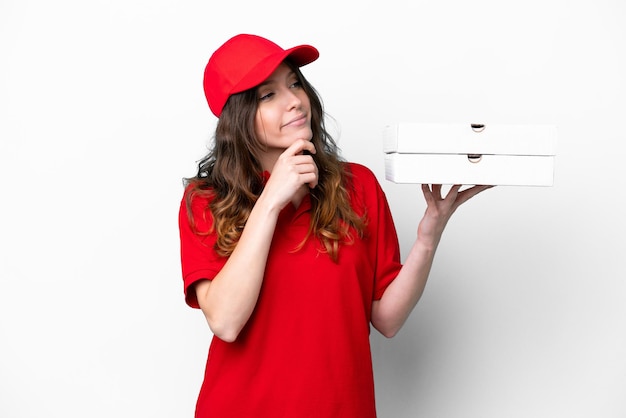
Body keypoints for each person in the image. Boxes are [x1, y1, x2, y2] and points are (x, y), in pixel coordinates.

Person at [178, 33, 491, 418]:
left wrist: (428, 237)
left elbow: (387, 320)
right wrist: (272, 200)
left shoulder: (357, 186)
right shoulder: (207, 200)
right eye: (268, 95)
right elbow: (225, 321)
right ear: (237, 119)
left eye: (295, 83)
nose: (294, 100)